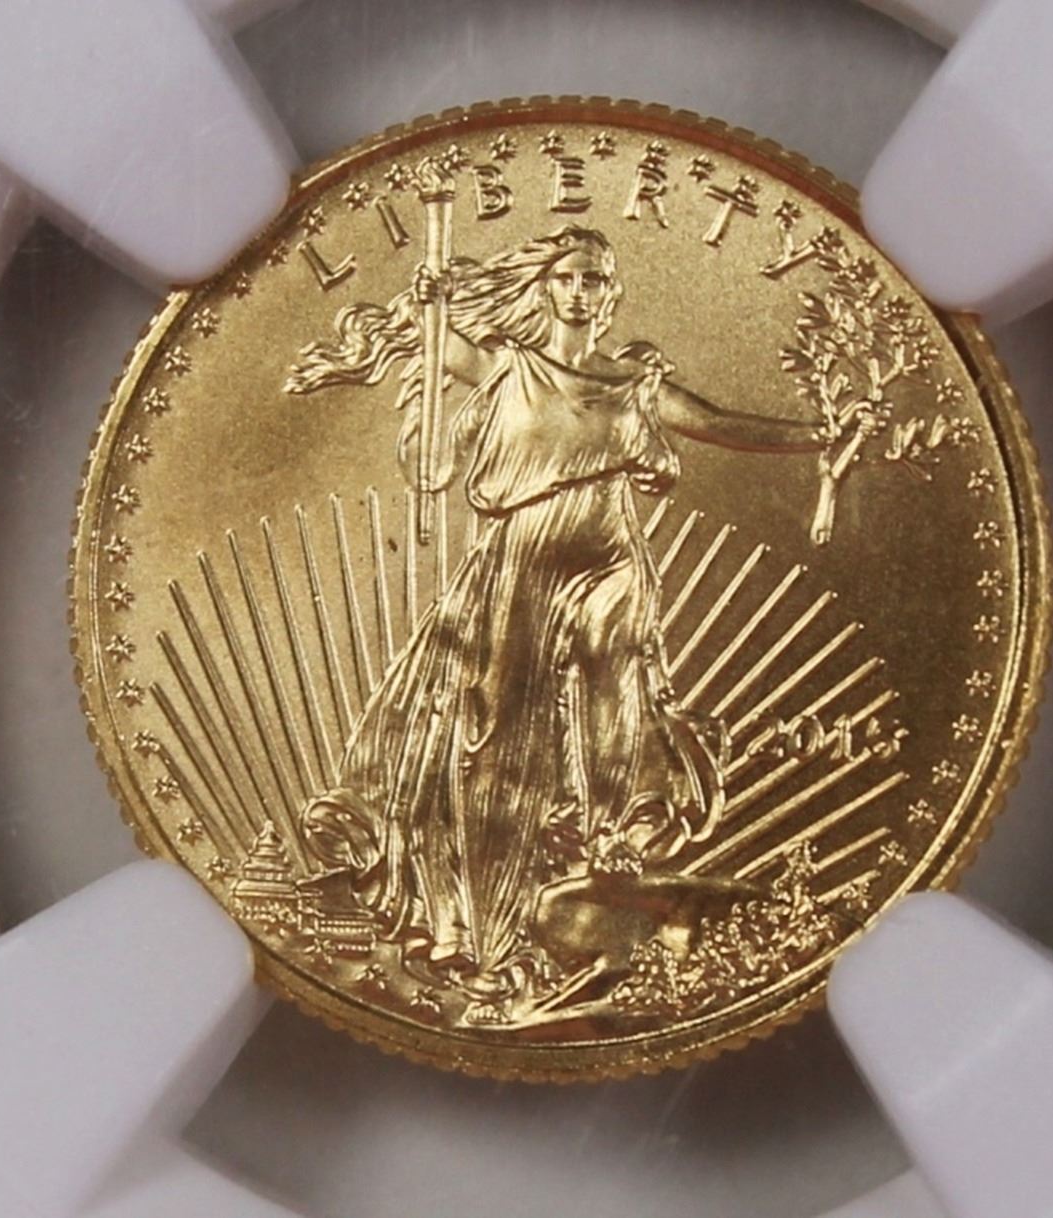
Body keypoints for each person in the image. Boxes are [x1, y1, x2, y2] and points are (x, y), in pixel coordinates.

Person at [285, 225, 825, 1015]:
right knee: (497, 728)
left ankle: (611, 836)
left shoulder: (634, 384)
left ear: (611, 294)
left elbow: (718, 422)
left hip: (609, 550)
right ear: (544, 288)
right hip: (521, 557)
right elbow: (436, 343)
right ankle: (483, 922)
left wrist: (818, 434)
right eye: (568, 276)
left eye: (594, 278)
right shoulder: (507, 366)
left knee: (618, 679)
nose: (579, 290)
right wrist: (427, 307)